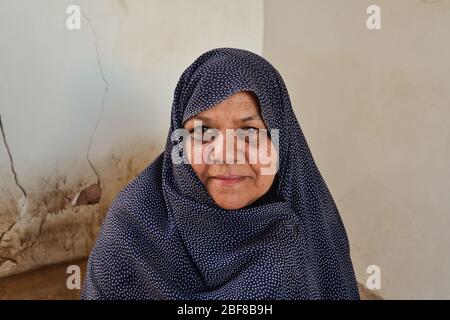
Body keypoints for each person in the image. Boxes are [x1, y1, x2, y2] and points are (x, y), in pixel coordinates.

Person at [81, 47, 360, 300]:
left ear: (282, 142)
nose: (225, 153)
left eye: (249, 131)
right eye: (202, 131)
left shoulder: (311, 235)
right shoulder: (132, 227)